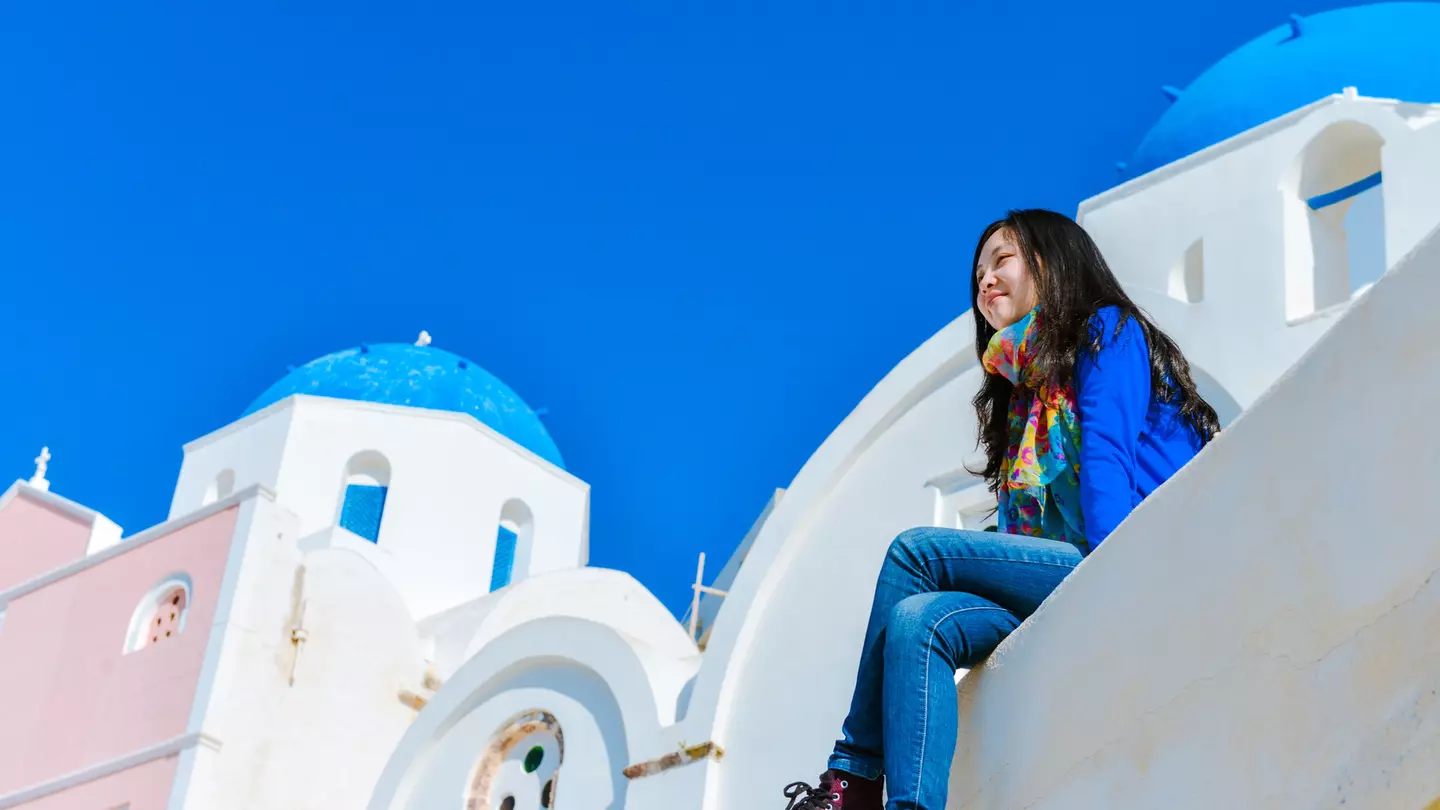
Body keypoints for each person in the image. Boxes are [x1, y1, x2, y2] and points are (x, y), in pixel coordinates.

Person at [781, 209, 1220, 810]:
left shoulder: (1109, 330)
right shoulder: (1021, 394)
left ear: (1050, 262)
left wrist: (1117, 574)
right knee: (917, 621)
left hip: (1120, 555)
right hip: (1054, 582)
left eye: (1001, 261)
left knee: (916, 551)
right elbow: (1022, 525)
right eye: (978, 273)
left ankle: (852, 774)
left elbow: (1107, 460)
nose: (985, 281)